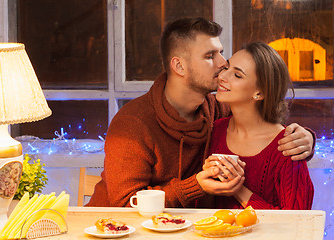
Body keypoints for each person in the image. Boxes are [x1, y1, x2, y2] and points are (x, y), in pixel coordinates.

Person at [87, 17, 314, 208]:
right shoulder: (132, 124)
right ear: (179, 66)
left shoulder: (219, 111)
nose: (222, 63)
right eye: (209, 56)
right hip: (112, 229)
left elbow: (259, 121)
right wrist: (195, 186)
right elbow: (126, 205)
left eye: (221, 53)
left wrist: (306, 138)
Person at [203, 42, 314, 209]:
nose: (222, 77)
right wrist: (206, 178)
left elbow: (297, 223)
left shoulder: (288, 147)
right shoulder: (215, 130)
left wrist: (238, 190)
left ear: (259, 93)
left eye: (237, 75)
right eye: (226, 68)